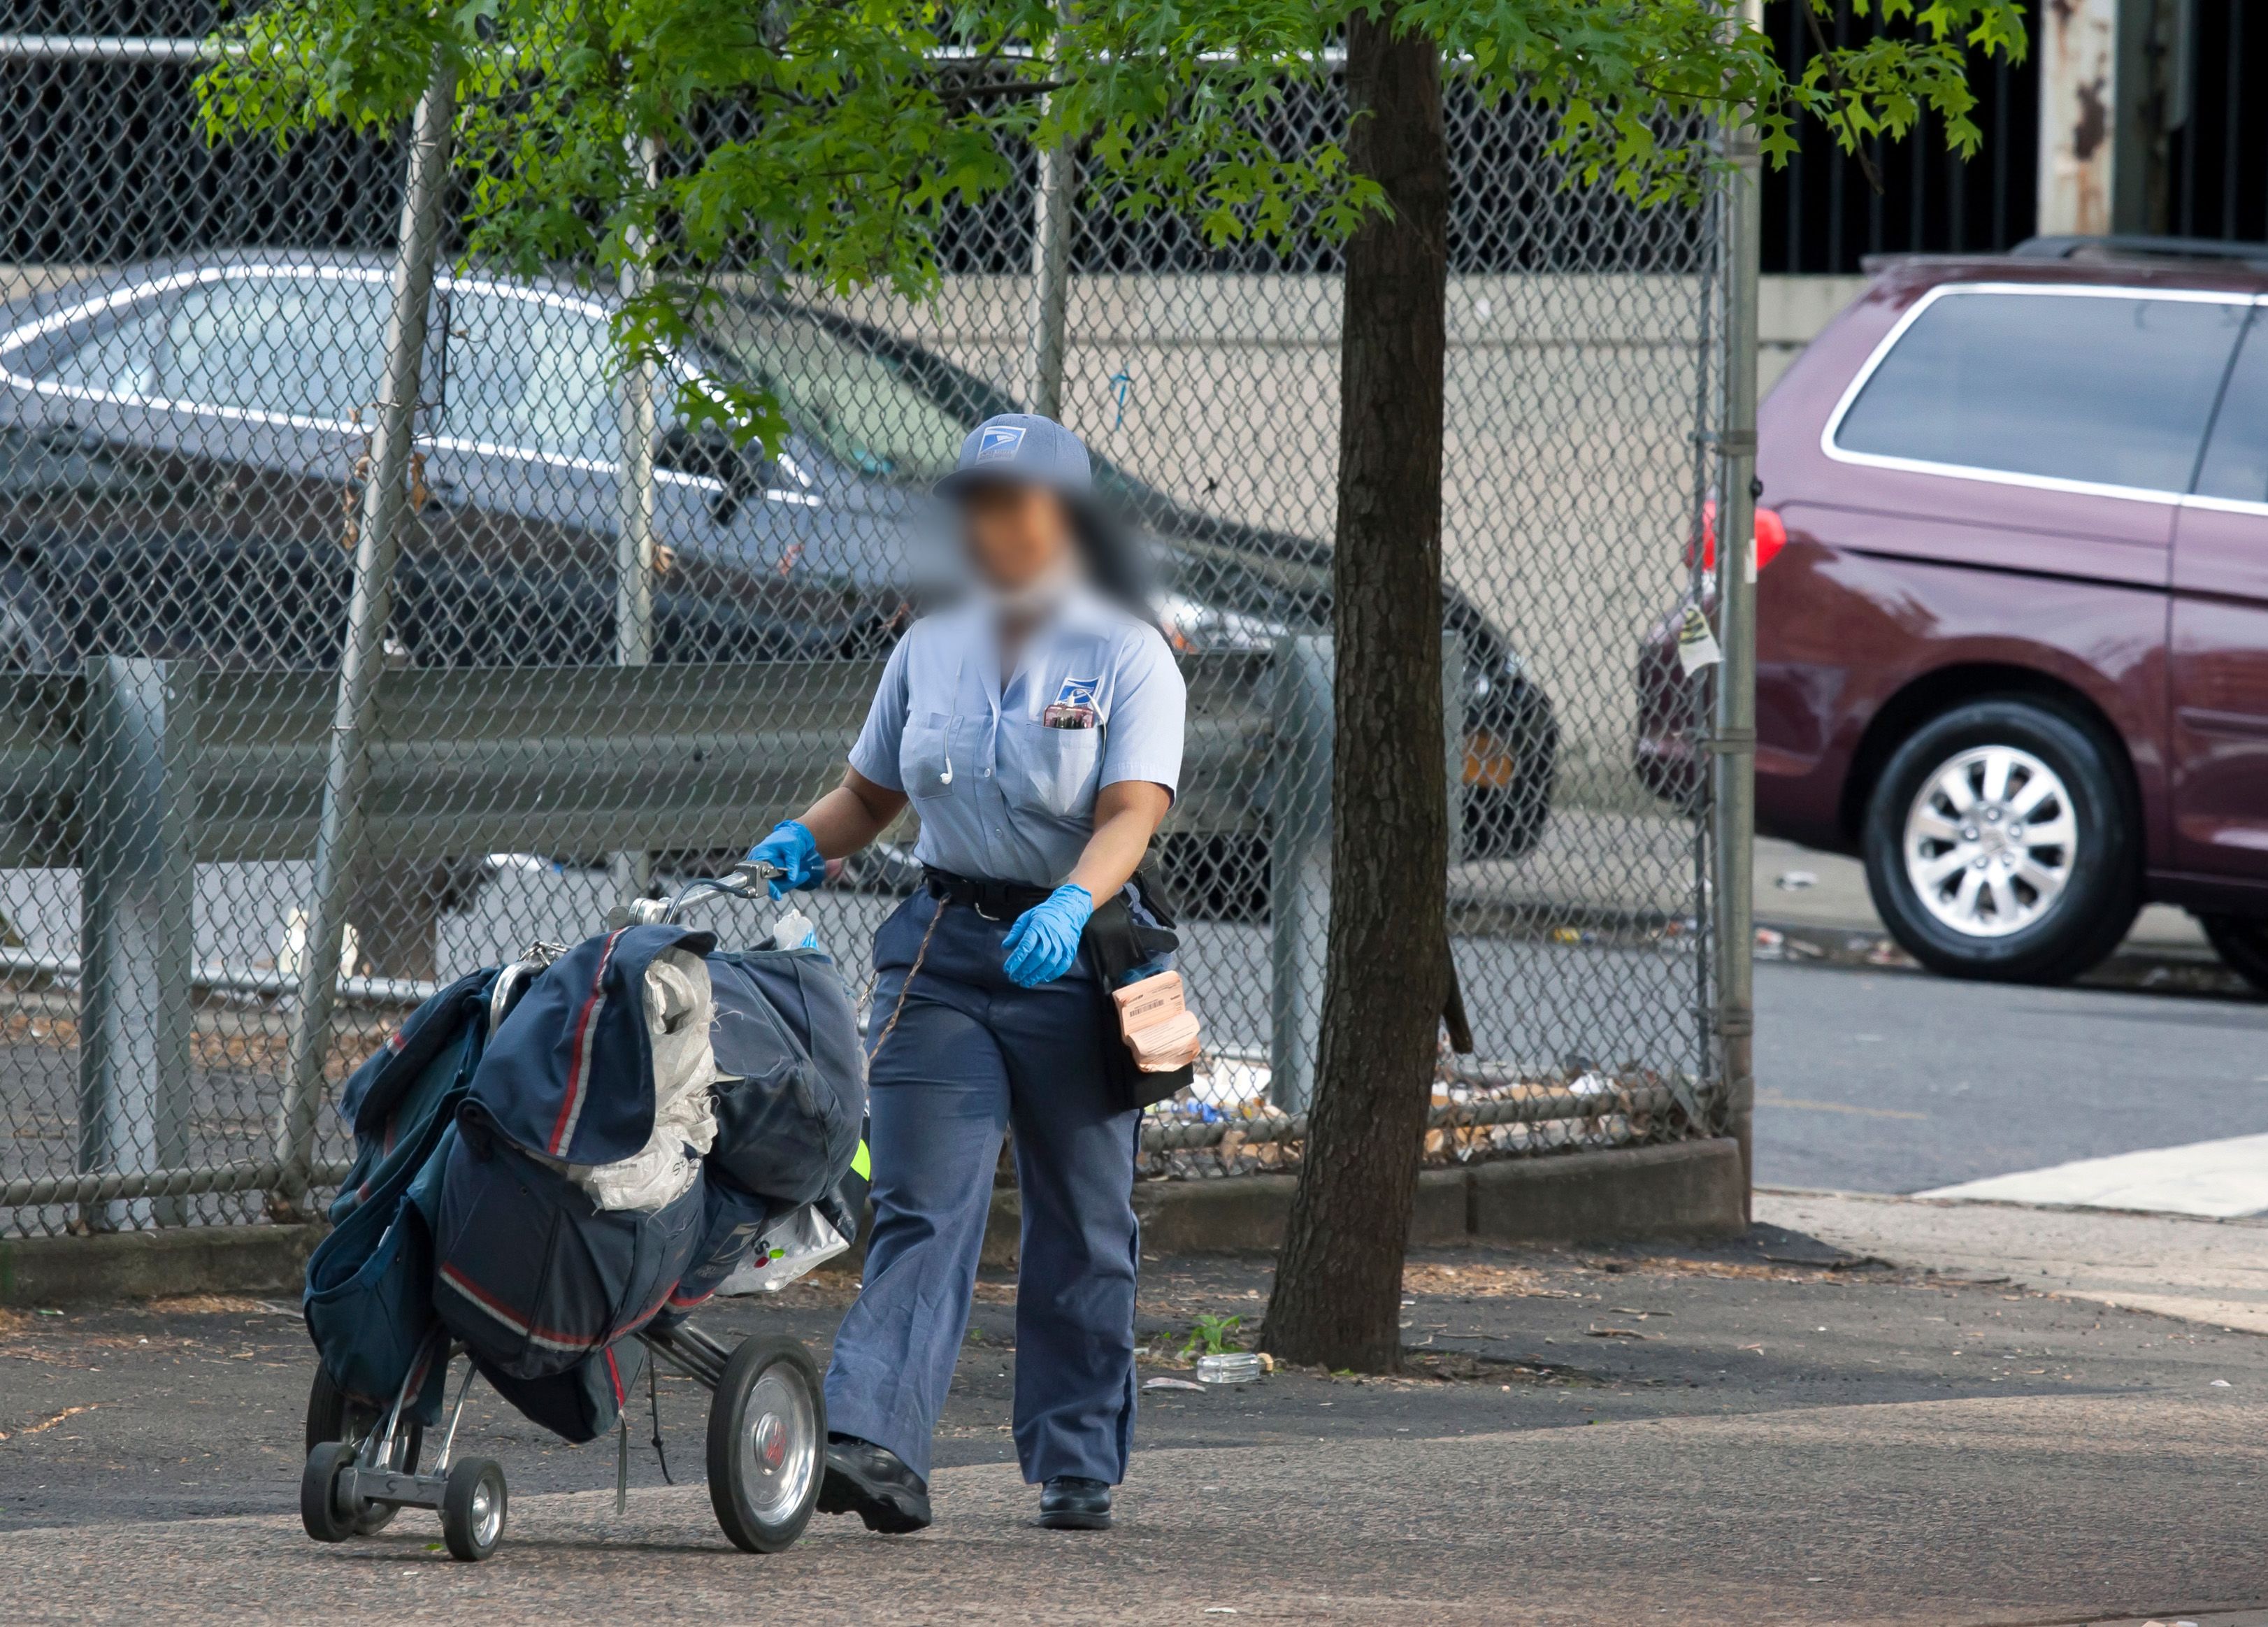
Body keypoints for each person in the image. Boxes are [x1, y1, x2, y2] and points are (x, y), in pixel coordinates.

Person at [742, 413, 1186, 1533]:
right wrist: (805, 836)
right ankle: (875, 1444)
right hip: (944, 953)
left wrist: (1077, 901)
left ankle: (1076, 1455)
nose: (992, 526)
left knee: (1083, 1222)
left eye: (1017, 504)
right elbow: (873, 797)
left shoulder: (1126, 652)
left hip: (1077, 958)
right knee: (918, 1203)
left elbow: (1134, 810)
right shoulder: (927, 646)